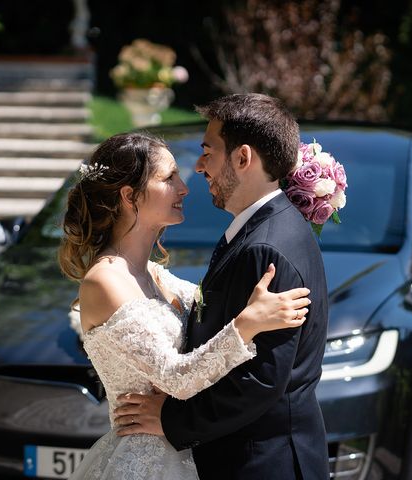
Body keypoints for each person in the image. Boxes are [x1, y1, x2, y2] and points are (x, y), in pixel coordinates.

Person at [58, 132, 312, 479]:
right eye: (169, 178)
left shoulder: (157, 276)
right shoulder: (105, 281)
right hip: (144, 463)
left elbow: (213, 313)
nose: (184, 188)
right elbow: (176, 377)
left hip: (189, 454)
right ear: (130, 196)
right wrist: (248, 324)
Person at [114, 94, 330, 479]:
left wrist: (171, 421)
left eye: (208, 152)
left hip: (262, 463)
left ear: (242, 158)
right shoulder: (261, 228)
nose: (199, 167)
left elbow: (260, 380)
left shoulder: (265, 246)